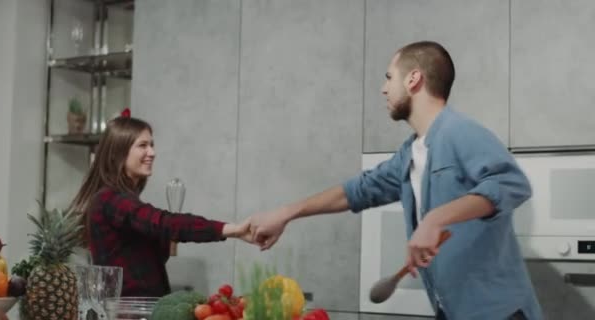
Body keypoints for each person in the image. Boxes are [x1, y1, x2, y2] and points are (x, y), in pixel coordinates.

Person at [248, 41, 543, 320]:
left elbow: (512, 184)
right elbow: (357, 191)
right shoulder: (409, 155)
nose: (383, 89)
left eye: (389, 77)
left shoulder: (459, 131)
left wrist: (435, 219)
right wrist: (287, 213)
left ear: (413, 79)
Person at [71, 116, 253, 297]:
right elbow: (164, 223)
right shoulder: (110, 199)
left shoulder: (118, 199)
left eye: (152, 145)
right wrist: (233, 230)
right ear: (118, 152)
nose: (152, 152)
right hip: (127, 313)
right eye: (143, 145)